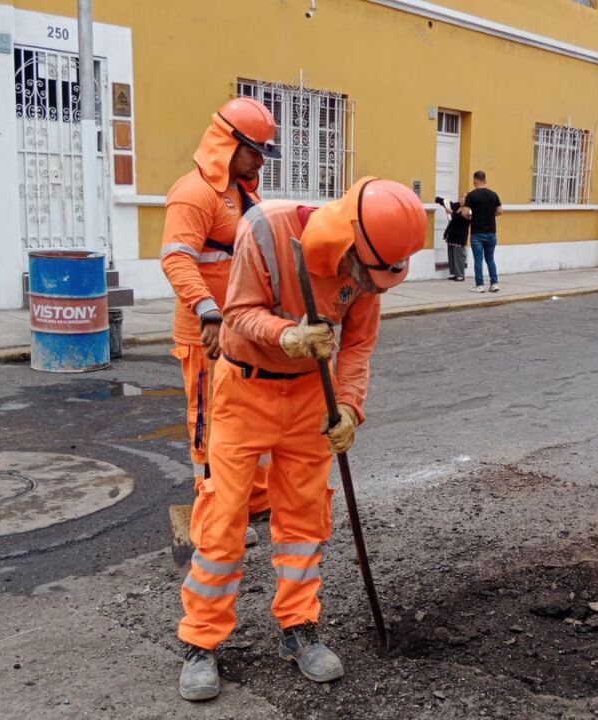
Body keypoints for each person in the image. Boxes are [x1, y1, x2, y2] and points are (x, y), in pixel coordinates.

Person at [177, 176, 426, 701]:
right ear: (346, 238)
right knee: (224, 516)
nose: (363, 284)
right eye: (363, 272)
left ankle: (299, 627)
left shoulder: (369, 271)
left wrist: (352, 409)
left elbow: (357, 348)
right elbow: (239, 313)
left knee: (303, 519)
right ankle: (201, 641)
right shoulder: (264, 229)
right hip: (245, 389)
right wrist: (287, 334)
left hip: (314, 394)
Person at [160, 98, 278, 546]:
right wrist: (207, 309)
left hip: (244, 332)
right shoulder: (193, 193)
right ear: (227, 144)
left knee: (252, 416)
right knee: (209, 421)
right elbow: (176, 259)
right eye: (254, 149)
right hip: (206, 334)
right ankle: (212, 503)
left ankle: (256, 499)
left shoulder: (242, 193)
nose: (261, 159)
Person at [462, 170, 502, 293]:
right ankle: (494, 283)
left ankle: (479, 285)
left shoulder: (471, 195)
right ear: (485, 180)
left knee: (478, 259)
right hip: (491, 232)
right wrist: (489, 215)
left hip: (477, 233)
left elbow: (464, 213)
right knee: (490, 259)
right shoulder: (493, 194)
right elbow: (500, 211)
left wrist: (470, 217)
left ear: (475, 181)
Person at [437, 195, 469, 281]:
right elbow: (447, 203)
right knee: (451, 255)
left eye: (463, 198)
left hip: (460, 236)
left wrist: (452, 212)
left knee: (459, 256)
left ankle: (460, 275)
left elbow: (462, 220)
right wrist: (438, 199)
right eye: (460, 198)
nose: (461, 200)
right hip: (452, 234)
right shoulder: (456, 206)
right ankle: (453, 273)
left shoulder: (468, 210)